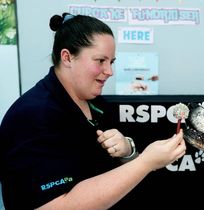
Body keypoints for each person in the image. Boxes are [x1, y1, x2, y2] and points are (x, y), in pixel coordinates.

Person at [0, 13, 186, 210]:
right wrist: (145, 163)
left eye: (111, 62)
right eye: (100, 61)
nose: (110, 71)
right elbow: (53, 205)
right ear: (67, 57)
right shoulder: (32, 116)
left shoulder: (96, 103)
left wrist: (128, 152)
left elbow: (110, 177)